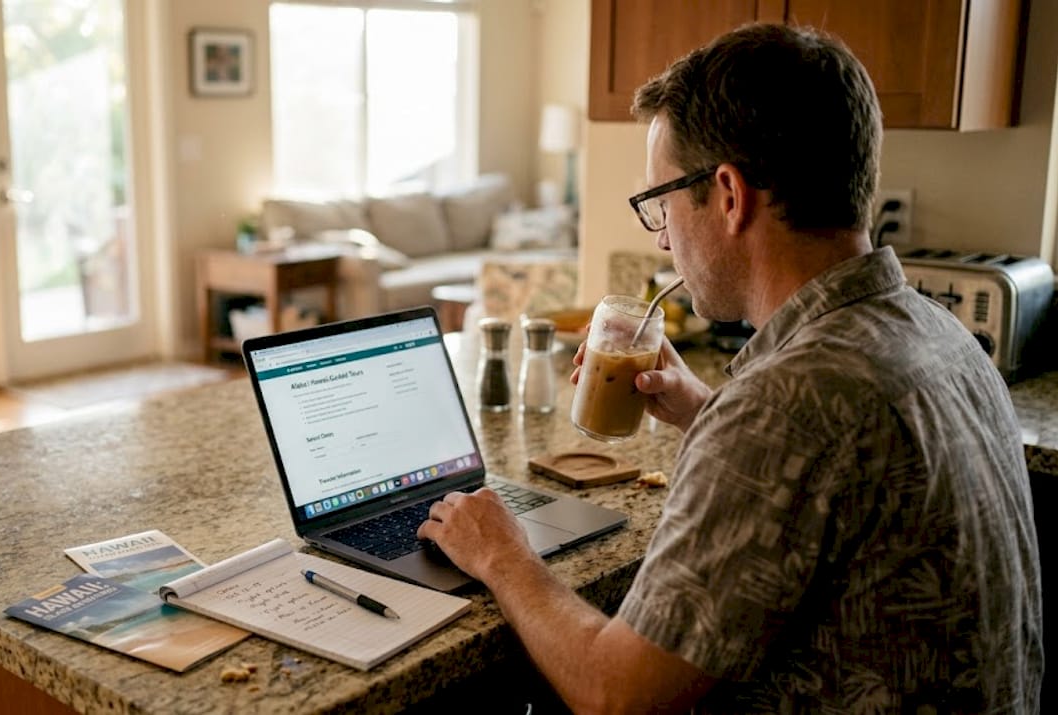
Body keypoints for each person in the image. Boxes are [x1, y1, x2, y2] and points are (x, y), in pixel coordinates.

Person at [418, 22, 1042, 713]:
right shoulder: (936, 333)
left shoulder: (786, 405)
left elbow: (616, 693)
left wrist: (504, 554)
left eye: (660, 203)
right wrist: (705, 410)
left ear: (728, 195)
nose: (662, 237)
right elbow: (832, 478)